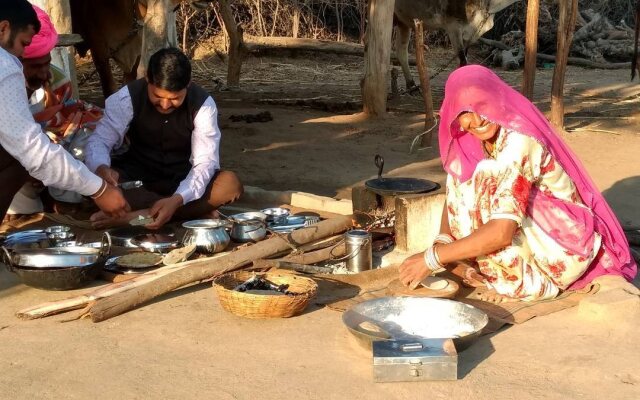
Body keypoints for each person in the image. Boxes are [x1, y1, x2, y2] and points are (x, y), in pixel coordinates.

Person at [398, 65, 637, 303]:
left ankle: (530, 280)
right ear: (454, 115)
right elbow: (456, 188)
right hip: (523, 227)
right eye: (466, 112)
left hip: (563, 243)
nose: (478, 119)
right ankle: (493, 263)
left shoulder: (519, 141)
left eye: (483, 105)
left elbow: (502, 232)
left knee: (488, 175)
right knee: (466, 171)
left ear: (496, 99)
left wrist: (433, 258)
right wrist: (443, 241)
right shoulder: (470, 140)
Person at [85, 47, 243, 229]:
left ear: (188, 84)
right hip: (138, 179)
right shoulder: (126, 98)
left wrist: (177, 199)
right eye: (158, 96)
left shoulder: (203, 105)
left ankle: (134, 218)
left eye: (175, 98)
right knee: (95, 184)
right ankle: (188, 212)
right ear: (147, 80)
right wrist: (102, 168)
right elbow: (100, 141)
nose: (165, 104)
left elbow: (205, 163)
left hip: (183, 179)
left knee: (230, 184)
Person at [0, 0, 129, 221]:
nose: (20, 55)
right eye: (23, 44)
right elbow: (32, 150)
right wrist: (99, 190)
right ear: (3, 29)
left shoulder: (55, 81)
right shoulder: (5, 65)